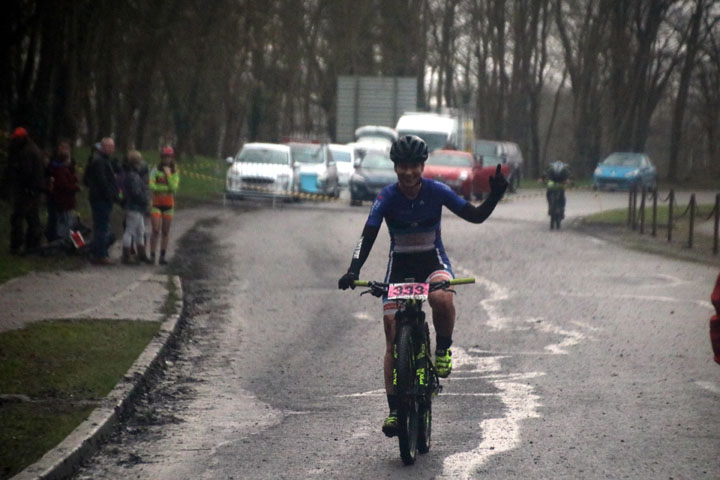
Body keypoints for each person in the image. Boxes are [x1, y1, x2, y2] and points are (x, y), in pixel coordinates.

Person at [337, 135, 508, 437]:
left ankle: (442, 349)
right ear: (396, 167)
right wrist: (353, 270)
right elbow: (368, 235)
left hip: (432, 261)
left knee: (442, 299)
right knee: (391, 332)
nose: (408, 172)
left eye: (414, 166)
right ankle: (393, 410)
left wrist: (493, 197)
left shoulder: (437, 191)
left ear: (422, 166)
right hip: (400, 266)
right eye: (403, 166)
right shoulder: (386, 197)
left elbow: (476, 216)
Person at [2, 127, 46, 254]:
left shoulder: (26, 152)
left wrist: (15, 175)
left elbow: (25, 173)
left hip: (27, 190)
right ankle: (33, 244)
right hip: (34, 190)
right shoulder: (33, 149)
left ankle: (17, 245)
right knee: (32, 218)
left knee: (17, 218)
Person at [83, 137, 120, 265]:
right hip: (100, 199)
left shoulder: (102, 160)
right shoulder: (99, 161)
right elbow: (102, 182)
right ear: (103, 147)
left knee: (101, 226)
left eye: (113, 146)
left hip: (99, 197)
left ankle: (98, 252)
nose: (112, 149)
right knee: (101, 227)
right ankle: (100, 254)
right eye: (110, 146)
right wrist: (110, 195)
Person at [149, 146, 180, 265]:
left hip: (168, 204)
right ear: (161, 158)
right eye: (165, 157)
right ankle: (152, 255)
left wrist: (168, 176)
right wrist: (164, 188)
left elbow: (174, 188)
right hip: (156, 203)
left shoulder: (175, 171)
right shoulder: (155, 170)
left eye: (169, 157)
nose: (167, 159)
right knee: (155, 229)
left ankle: (162, 256)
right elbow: (151, 186)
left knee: (165, 231)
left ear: (172, 158)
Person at [121, 150, 152, 264]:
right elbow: (136, 192)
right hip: (134, 207)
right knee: (130, 231)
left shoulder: (132, 174)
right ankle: (126, 256)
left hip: (136, 207)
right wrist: (145, 201)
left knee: (140, 230)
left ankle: (141, 253)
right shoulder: (133, 175)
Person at [48, 139, 80, 244]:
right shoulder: (60, 169)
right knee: (65, 222)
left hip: (67, 200)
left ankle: (73, 242)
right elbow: (64, 185)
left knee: (68, 221)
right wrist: (76, 188)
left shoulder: (64, 168)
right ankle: (62, 242)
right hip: (63, 200)